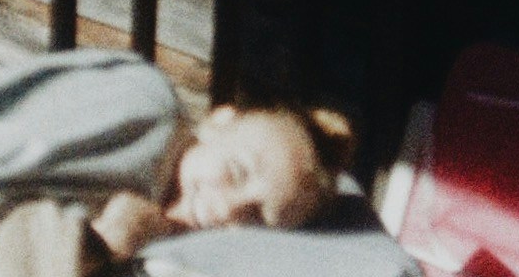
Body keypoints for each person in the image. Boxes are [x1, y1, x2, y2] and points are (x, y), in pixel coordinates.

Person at [90, 101, 357, 260]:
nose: (230, 209)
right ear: (217, 124)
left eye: (254, 216)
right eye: (237, 172)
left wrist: (104, 245)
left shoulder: (183, 274)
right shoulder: (132, 128)